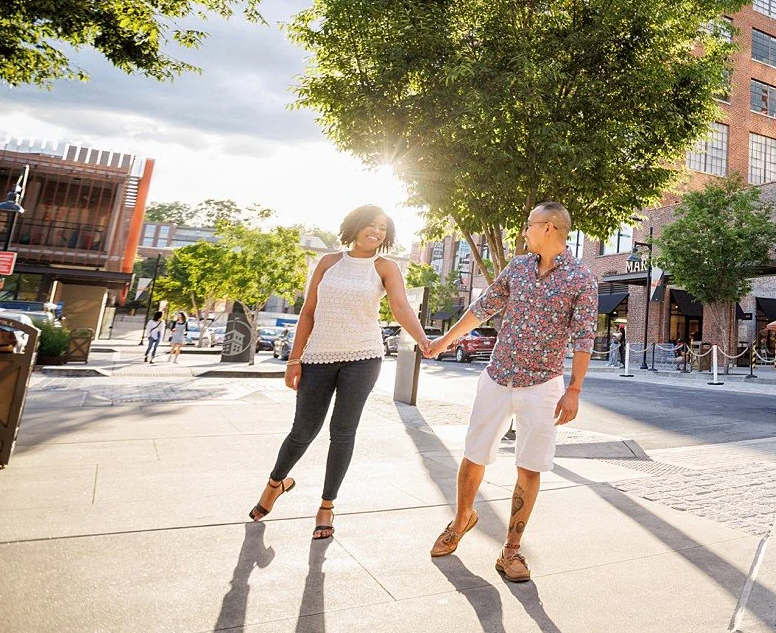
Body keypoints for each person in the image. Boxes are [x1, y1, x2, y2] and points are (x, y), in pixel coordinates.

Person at [424, 202, 597, 582]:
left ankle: (512, 550)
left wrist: (574, 389)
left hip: (543, 385)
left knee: (530, 465)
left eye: (529, 225)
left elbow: (585, 335)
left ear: (550, 228)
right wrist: (443, 341)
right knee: (474, 453)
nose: (524, 231)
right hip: (497, 377)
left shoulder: (582, 277)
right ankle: (461, 519)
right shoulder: (518, 268)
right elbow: (481, 309)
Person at [250, 205, 429, 539]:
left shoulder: (385, 267)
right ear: (355, 226)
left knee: (343, 432)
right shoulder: (329, 262)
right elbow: (308, 312)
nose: (376, 232)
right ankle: (276, 483)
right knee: (302, 430)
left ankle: (327, 505)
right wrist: (294, 359)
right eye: (371, 225)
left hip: (363, 357)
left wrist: (422, 340)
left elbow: (401, 306)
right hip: (318, 356)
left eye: (382, 228)